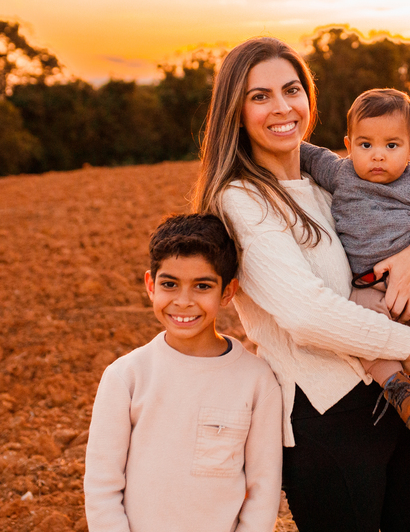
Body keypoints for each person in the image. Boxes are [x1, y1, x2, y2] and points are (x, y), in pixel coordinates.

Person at [191, 37, 410, 532]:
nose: (282, 107)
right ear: (234, 110)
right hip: (327, 415)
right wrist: (408, 343)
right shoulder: (242, 199)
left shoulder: (333, 179)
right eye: (260, 96)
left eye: (292, 89)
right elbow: (306, 314)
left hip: (399, 397)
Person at [299, 88, 410, 479]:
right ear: (348, 145)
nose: (377, 155)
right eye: (365, 144)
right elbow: (301, 149)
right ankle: (398, 386)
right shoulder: (340, 172)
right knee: (359, 328)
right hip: (368, 283)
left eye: (391, 145)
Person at [84, 213, 282, 532]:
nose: (183, 301)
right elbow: (101, 488)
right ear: (151, 285)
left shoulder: (257, 381)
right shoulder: (125, 377)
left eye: (202, 286)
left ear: (228, 292)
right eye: (170, 284)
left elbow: (263, 490)